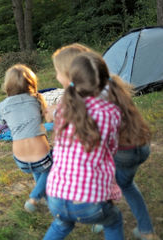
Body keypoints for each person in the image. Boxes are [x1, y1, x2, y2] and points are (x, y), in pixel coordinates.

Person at [51, 43, 159, 240]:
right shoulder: (108, 83)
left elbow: (95, 144)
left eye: (58, 72)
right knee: (125, 184)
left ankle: (100, 214)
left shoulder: (92, 98)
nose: (57, 77)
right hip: (139, 145)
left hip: (124, 150)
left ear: (72, 73)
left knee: (104, 177)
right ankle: (146, 230)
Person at [44, 52, 124, 239]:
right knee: (114, 220)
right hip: (89, 202)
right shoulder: (110, 112)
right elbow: (112, 149)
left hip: (56, 195)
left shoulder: (64, 107)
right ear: (104, 80)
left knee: (62, 224)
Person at [0, 64, 53, 213]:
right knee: (53, 165)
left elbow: (2, 123)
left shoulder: (2, 105)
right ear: (31, 82)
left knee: (39, 170)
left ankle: (48, 202)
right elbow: (46, 119)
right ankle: (34, 198)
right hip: (41, 156)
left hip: (20, 159)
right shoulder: (36, 99)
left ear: (7, 85)